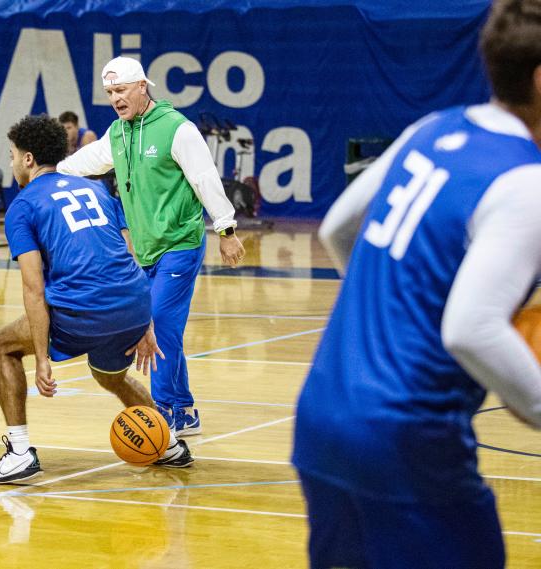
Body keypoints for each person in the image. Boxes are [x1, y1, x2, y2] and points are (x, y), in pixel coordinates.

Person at [291, 2, 541, 568]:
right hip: (406, 439)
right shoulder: (525, 180)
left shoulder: (432, 128)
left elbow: (337, 228)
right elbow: (471, 329)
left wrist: (398, 315)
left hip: (324, 416)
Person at [0, 115, 193, 485]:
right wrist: (145, 322)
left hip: (85, 312)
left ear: (28, 159)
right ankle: (167, 442)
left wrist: (42, 359)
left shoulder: (23, 206)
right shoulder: (96, 190)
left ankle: (18, 452)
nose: (11, 163)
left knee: (4, 347)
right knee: (109, 375)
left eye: (12, 155)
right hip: (134, 304)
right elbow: (129, 253)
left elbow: (33, 288)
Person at [57, 56, 245, 436]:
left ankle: (166, 412)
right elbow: (81, 163)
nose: (115, 99)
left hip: (180, 245)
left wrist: (226, 231)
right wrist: (49, 174)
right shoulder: (118, 134)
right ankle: (184, 409)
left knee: (157, 328)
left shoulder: (178, 129)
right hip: (143, 251)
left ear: (142, 86)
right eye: (110, 93)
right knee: (161, 329)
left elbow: (205, 179)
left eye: (121, 90)